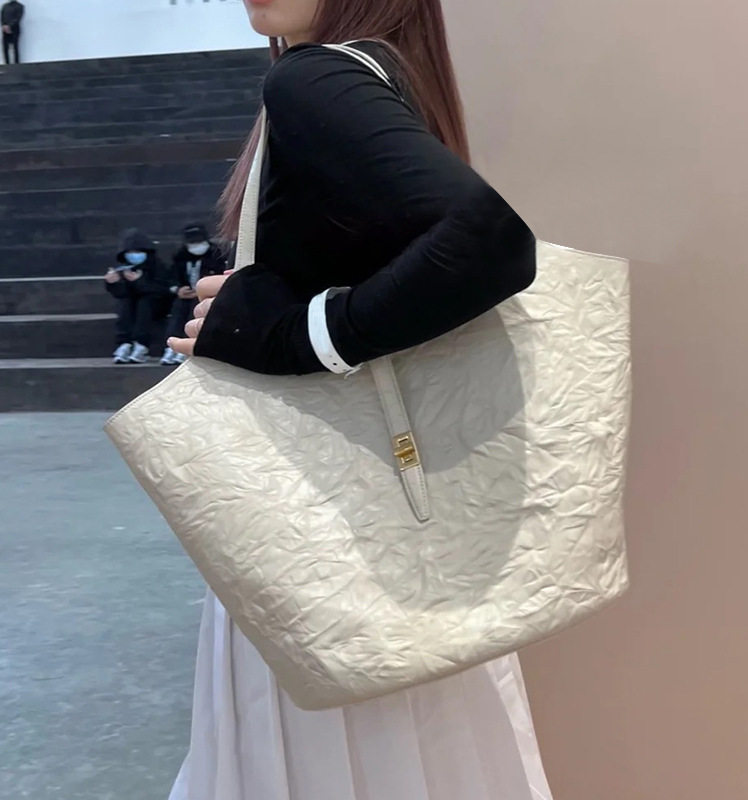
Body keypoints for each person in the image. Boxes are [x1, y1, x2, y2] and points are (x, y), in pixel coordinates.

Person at [167, 1, 553, 799]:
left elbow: (491, 241)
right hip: (404, 538)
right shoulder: (389, 73)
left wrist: (295, 335)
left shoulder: (312, 79)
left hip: (315, 535)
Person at [160, 224, 227, 365]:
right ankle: (171, 346)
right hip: (185, 294)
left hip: (207, 295)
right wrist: (178, 289)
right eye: (192, 242)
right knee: (178, 309)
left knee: (196, 309)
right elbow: (171, 277)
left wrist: (203, 290)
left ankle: (187, 343)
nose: (196, 245)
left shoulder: (216, 255)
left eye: (198, 242)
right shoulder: (180, 257)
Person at [104, 229, 171, 364]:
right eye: (130, 252)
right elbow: (122, 293)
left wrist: (139, 281)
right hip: (133, 305)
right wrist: (113, 283)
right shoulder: (124, 268)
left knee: (144, 302)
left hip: (157, 304)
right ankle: (124, 344)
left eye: (138, 251)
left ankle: (141, 345)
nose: (134, 255)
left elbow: (161, 290)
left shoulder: (157, 266)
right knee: (125, 302)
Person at [1, 0, 23, 65]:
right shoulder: (5, 6)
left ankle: (16, 63)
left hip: (15, 29)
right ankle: (7, 63)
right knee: (5, 47)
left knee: (15, 47)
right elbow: (2, 17)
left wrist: (10, 26)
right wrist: (4, 25)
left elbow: (18, 18)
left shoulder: (20, 6)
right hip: (5, 29)